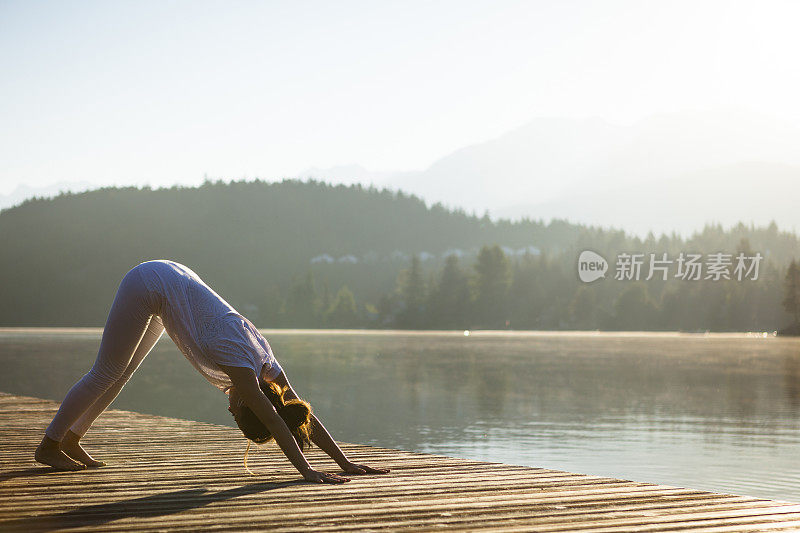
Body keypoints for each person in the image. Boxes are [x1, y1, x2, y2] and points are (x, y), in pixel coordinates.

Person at [35, 260, 389, 483]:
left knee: (121, 373)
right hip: (150, 282)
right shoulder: (245, 371)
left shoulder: (266, 366)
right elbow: (277, 422)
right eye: (237, 418)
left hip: (173, 283)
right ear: (249, 405)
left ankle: (72, 438)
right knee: (107, 370)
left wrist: (345, 462)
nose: (229, 411)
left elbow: (297, 413)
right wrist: (307, 472)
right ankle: (49, 444)